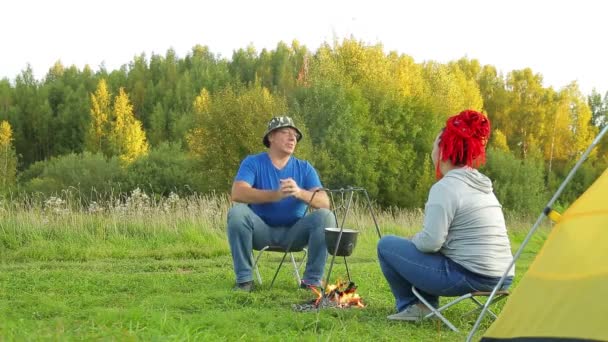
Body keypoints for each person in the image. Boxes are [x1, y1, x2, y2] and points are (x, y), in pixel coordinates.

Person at [377, 109, 515, 321]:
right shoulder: (482, 186)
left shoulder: (446, 187)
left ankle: (416, 307)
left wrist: (414, 239)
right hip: (503, 277)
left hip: (473, 276)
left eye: (434, 145)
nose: (432, 151)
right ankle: (423, 306)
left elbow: (430, 243)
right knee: (430, 246)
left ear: (443, 150)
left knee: (386, 245)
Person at [227, 115, 335, 292]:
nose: (292, 138)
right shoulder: (253, 163)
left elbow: (325, 202)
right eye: (286, 133)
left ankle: (311, 282)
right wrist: (275, 195)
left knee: (325, 217)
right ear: (271, 137)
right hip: (261, 231)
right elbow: (237, 193)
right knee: (237, 213)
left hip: (295, 233)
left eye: (295, 135)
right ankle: (244, 281)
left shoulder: (305, 168)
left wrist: (299, 192)